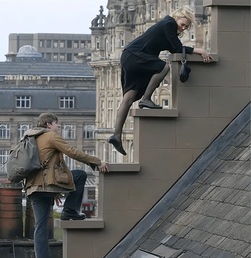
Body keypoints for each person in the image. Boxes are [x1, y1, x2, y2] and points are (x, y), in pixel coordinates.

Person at [108, 6, 214, 156]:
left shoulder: (168, 28)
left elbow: (173, 48)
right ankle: (146, 99)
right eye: (183, 23)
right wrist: (200, 50)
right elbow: (177, 48)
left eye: (186, 26)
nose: (183, 27)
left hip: (130, 56)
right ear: (177, 16)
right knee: (163, 67)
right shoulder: (169, 23)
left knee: (129, 98)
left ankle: (116, 135)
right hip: (136, 56)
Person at [24, 113, 108, 258]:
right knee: (80, 175)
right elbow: (72, 152)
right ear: (48, 124)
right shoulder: (50, 136)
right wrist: (96, 161)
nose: (59, 126)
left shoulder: (30, 137)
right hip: (48, 183)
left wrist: (55, 191)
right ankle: (70, 210)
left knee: (40, 226)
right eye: (57, 123)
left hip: (34, 187)